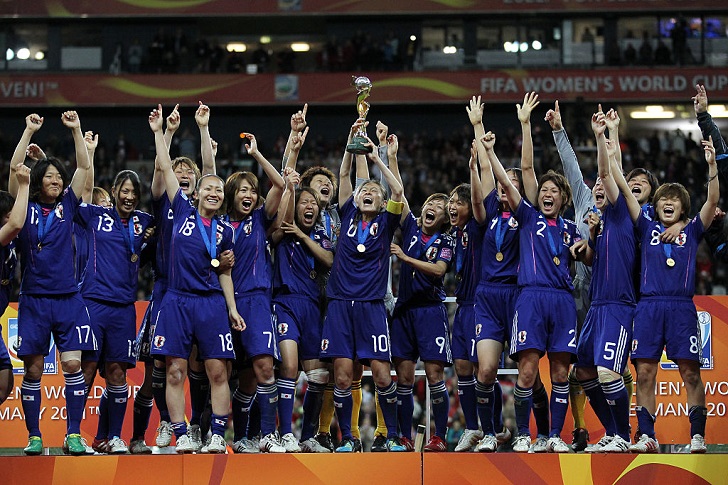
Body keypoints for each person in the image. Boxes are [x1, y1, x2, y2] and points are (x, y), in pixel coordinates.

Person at [149, 104, 244, 454]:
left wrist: (232, 308)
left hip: (211, 303)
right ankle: (181, 434)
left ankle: (217, 434)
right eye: (209, 188)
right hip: (176, 299)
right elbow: (166, 166)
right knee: (174, 370)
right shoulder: (181, 209)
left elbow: (226, 273)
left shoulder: (225, 230)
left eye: (219, 189)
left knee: (218, 371)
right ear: (198, 193)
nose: (214, 192)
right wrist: (160, 132)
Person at [488, 135, 592, 453]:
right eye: (544, 190)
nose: (548, 194)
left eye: (554, 191)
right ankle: (523, 434)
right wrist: (491, 150)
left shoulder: (572, 228)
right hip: (531, 298)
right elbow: (518, 172)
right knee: (528, 370)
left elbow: (589, 258)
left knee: (561, 372)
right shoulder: (528, 216)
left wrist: (586, 248)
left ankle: (554, 436)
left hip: (562, 300)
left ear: (563, 198)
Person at [134, 102, 220, 453]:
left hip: (200, 289)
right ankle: (168, 422)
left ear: (197, 186)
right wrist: (166, 132)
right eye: (179, 169)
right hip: (166, 288)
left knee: (199, 360)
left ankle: (197, 425)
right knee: (161, 362)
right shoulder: (166, 203)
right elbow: (161, 168)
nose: (182, 173)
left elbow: (211, 172)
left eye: (189, 172)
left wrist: (202, 128)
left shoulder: (202, 208)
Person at [9, 111, 96, 456]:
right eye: (50, 176)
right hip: (33, 299)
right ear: (38, 180)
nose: (57, 181)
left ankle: (73, 434)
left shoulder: (68, 206)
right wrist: (28, 130)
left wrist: (76, 130)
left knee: (73, 365)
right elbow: (15, 170)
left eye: (60, 177)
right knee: (32, 369)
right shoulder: (24, 206)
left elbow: (84, 167)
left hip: (68, 299)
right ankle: (34, 436)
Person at [627, 135, 718, 455]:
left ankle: (698, 436)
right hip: (649, 306)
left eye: (674, 199)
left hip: (681, 308)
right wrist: (609, 146)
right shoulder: (645, 226)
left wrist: (711, 167)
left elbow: (712, 202)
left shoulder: (691, 230)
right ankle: (647, 435)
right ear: (656, 206)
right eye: (663, 198)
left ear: (682, 208)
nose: (668, 202)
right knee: (645, 373)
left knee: (690, 373)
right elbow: (625, 191)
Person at [319, 136, 406, 453]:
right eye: (364, 190)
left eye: (375, 191)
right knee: (342, 377)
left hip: (371, 307)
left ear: (382, 203)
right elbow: (343, 175)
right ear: (356, 199)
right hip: (340, 306)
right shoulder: (347, 214)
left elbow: (398, 191)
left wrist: (377, 157)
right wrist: (349, 145)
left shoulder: (386, 221)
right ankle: (349, 439)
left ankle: (392, 436)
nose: (369, 192)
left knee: (382, 375)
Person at [75, 164, 154, 454]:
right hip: (94, 303)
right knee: (86, 369)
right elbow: (80, 193)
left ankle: (113, 437)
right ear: (114, 192)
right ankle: (73, 434)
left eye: (134, 192)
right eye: (124, 191)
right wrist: (88, 154)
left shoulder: (144, 222)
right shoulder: (96, 215)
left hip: (123, 308)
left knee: (118, 372)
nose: (129, 196)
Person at [573, 112, 640, 454]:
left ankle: (623, 435)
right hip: (597, 306)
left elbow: (607, 172)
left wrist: (602, 136)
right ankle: (613, 433)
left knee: (608, 373)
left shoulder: (622, 213)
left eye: (604, 187)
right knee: (584, 370)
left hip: (617, 306)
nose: (600, 188)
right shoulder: (601, 225)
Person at [388, 130, 455, 452]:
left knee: (434, 374)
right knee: (403, 377)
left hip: (430, 311)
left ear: (444, 218)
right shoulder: (412, 226)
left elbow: (439, 270)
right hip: (404, 311)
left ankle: (439, 437)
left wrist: (405, 258)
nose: (432, 207)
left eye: (439, 207)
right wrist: (391, 157)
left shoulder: (446, 241)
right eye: (430, 203)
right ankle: (403, 437)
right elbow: (398, 193)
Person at [225, 131, 286, 453]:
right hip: (224, 304)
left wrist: (257, 155)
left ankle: (267, 435)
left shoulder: (260, 220)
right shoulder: (219, 225)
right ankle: (239, 437)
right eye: (243, 190)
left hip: (258, 302)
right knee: (234, 377)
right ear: (231, 195)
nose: (249, 194)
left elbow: (279, 184)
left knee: (263, 370)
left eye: (252, 190)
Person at [270, 165, 334, 453]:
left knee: (319, 375)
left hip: (313, 306)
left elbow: (329, 261)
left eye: (313, 203)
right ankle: (285, 433)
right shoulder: (284, 230)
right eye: (304, 202)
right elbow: (283, 216)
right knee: (289, 367)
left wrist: (304, 235)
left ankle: (308, 436)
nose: (309, 206)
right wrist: (290, 187)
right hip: (286, 303)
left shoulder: (319, 236)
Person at [0, 165, 31, 406]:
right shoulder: (5, 234)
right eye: (8, 213)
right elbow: (17, 224)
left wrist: (27, 134)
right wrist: (24, 185)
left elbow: (13, 172)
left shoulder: (10, 240)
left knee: (5, 385)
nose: (14, 215)